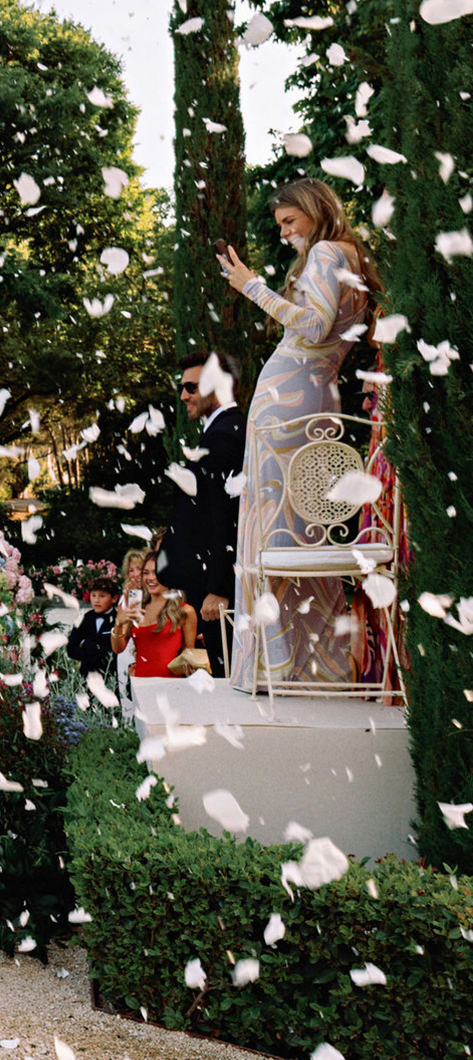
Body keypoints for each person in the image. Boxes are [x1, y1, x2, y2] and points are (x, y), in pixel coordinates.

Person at [218, 177, 381, 689]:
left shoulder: (327, 252)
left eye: (291, 222)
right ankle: (319, 663)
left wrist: (252, 287)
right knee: (304, 527)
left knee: (271, 526)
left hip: (284, 403)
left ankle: (275, 657)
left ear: (315, 209)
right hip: (319, 398)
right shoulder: (355, 256)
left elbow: (312, 327)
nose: (287, 233)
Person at [156, 350, 247, 673]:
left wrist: (219, 588)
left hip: (218, 591)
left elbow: (226, 516)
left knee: (229, 675)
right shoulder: (223, 430)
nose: (183, 395)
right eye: (182, 387)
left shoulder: (224, 436)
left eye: (191, 388)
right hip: (208, 582)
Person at [112, 549, 197, 678]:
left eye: (156, 572)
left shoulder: (185, 611)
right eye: (146, 573)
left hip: (172, 687)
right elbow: (117, 649)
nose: (151, 578)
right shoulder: (136, 607)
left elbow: (189, 656)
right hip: (140, 686)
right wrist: (118, 623)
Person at [66, 576, 120, 678]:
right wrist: (88, 652)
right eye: (93, 595)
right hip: (87, 676)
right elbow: (71, 649)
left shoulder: (118, 620)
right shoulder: (84, 618)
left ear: (114, 598)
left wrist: (90, 646)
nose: (96, 600)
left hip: (110, 677)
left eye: (102, 596)